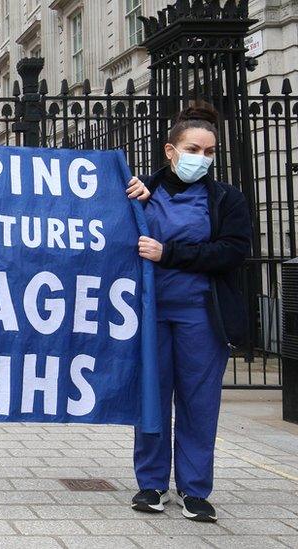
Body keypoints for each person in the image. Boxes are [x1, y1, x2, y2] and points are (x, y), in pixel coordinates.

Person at [130, 102, 251, 522]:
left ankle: (195, 490)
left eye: (210, 151)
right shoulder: (140, 192)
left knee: (199, 403)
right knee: (152, 398)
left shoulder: (225, 199)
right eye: (193, 149)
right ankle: (150, 485)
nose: (202, 158)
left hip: (201, 313)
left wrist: (169, 253)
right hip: (150, 314)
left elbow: (234, 251)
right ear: (170, 150)